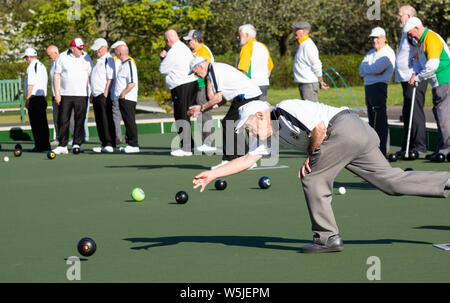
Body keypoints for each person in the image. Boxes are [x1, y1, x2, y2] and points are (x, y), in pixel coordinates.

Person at [192, 99, 450, 253]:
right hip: (355, 136)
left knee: (312, 177)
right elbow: (248, 160)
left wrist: (311, 156)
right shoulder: (271, 133)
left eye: (249, 126)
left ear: (260, 115)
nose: (250, 132)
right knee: (391, 182)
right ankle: (446, 182)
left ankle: (327, 238)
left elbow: (319, 128)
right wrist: (213, 174)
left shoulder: (284, 110)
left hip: (345, 127)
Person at [187, 57, 262, 169]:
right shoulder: (214, 70)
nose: (195, 75)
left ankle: (229, 160)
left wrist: (202, 108)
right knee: (234, 124)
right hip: (247, 95)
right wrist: (203, 109)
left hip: (246, 96)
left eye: (195, 72)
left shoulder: (214, 71)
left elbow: (217, 97)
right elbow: (222, 99)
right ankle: (247, 160)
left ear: (200, 66)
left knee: (228, 123)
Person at [403, 17, 450, 161]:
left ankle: (447, 150)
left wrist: (418, 78)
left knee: (444, 115)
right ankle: (441, 148)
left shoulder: (431, 38)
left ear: (417, 28)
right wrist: (414, 73)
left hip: (445, 79)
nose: (410, 37)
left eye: (410, 34)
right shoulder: (420, 42)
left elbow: (433, 65)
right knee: (439, 114)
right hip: (436, 83)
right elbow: (417, 61)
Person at [395, 5, 428, 157]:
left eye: (400, 15)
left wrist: (415, 71)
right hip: (406, 78)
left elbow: (420, 49)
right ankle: (408, 145)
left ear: (408, 16)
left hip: (413, 77)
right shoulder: (406, 33)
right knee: (408, 111)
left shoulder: (412, 34)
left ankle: (420, 146)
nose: (398, 18)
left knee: (415, 110)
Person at [159, 29, 198, 157]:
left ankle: (187, 147)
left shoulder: (174, 51)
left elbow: (163, 69)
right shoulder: (183, 47)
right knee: (184, 115)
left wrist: (162, 58)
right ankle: (189, 145)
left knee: (181, 115)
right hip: (188, 84)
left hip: (182, 86)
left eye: (165, 41)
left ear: (168, 40)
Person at [52, 38, 93, 155]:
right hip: (65, 94)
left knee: (80, 120)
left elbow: (90, 75)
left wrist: (92, 91)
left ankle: (76, 144)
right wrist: (57, 93)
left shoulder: (86, 57)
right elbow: (56, 75)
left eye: (82, 48)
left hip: (82, 94)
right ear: (72, 48)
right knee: (63, 120)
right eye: (79, 48)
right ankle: (62, 145)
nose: (82, 50)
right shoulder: (62, 56)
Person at [359, 27, 395, 156]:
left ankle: (382, 148)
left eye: (377, 37)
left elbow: (377, 68)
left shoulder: (387, 52)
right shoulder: (370, 53)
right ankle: (374, 148)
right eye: (373, 38)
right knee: (372, 118)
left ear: (383, 38)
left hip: (379, 86)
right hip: (369, 86)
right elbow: (361, 70)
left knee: (379, 119)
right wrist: (370, 69)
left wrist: (369, 69)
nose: (375, 40)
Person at [183, 29, 216, 153]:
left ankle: (210, 143)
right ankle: (206, 142)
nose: (188, 43)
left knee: (204, 113)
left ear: (196, 39)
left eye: (189, 40)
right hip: (197, 85)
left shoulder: (203, 51)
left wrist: (209, 88)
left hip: (203, 85)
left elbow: (209, 70)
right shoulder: (195, 51)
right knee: (199, 113)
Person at [291, 21, 329, 101]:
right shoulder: (303, 44)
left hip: (308, 83)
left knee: (311, 110)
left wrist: (320, 80)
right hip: (304, 83)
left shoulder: (308, 45)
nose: (294, 32)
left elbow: (316, 64)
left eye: (296, 30)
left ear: (304, 31)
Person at [90, 38, 116, 153]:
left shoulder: (108, 59)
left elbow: (111, 77)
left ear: (104, 47)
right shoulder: (99, 60)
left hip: (103, 94)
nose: (97, 51)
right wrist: (92, 93)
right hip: (96, 95)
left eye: (98, 49)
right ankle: (103, 143)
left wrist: (106, 91)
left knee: (106, 119)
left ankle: (110, 143)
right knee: (99, 120)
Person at [23, 48, 51, 152]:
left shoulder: (31, 66)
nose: (26, 60)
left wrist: (28, 99)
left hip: (34, 98)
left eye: (26, 58)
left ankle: (39, 145)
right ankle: (45, 145)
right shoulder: (42, 65)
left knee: (36, 124)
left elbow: (31, 83)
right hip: (42, 98)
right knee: (43, 123)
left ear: (29, 57)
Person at [236, 24, 274, 100]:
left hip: (251, 86)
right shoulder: (263, 46)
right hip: (263, 84)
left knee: (249, 110)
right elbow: (270, 67)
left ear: (246, 35)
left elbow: (243, 70)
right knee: (261, 109)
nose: (237, 38)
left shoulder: (246, 48)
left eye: (239, 35)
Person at [110, 41, 137, 146]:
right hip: (123, 98)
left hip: (127, 98)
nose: (115, 53)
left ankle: (133, 144)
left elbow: (132, 82)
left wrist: (123, 93)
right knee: (127, 121)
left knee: (130, 122)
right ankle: (130, 143)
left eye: (116, 51)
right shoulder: (123, 64)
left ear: (120, 53)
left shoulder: (129, 63)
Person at [46, 45, 61, 146]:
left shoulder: (61, 61)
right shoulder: (52, 63)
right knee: (56, 118)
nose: (48, 57)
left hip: (61, 94)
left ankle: (72, 138)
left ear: (56, 52)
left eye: (49, 55)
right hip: (55, 95)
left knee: (65, 117)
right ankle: (59, 138)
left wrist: (58, 93)